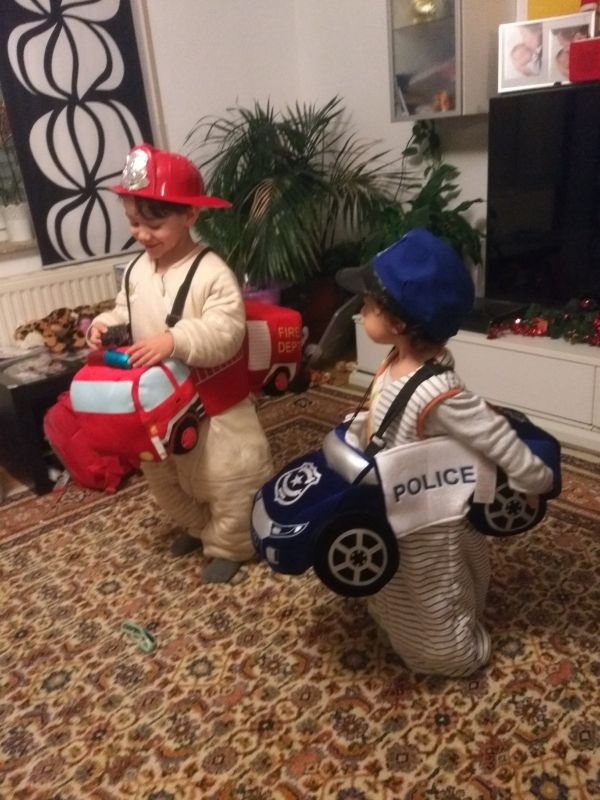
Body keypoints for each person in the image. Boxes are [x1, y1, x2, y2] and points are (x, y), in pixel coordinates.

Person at [336, 229, 554, 676]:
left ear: (399, 322)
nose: (361, 310)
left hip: (426, 518)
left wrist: (534, 479)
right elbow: (384, 412)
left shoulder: (440, 392)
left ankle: (457, 648)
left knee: (432, 591)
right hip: (392, 498)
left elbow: (494, 435)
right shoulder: (393, 361)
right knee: (394, 583)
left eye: (369, 306)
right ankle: (400, 620)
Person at [88, 143, 273, 584]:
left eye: (154, 225)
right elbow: (125, 311)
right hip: (159, 404)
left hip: (214, 402)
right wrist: (104, 324)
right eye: (134, 222)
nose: (142, 235)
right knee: (164, 475)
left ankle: (230, 544)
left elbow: (227, 331)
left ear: (190, 215)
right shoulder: (136, 271)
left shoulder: (212, 271)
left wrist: (175, 340)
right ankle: (199, 527)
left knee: (230, 475)